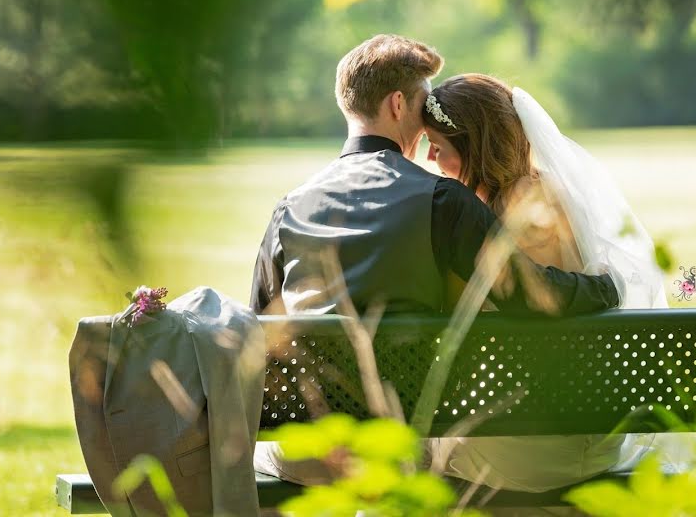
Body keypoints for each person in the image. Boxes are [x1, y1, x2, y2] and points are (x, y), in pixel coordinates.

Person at [249, 35, 621, 488]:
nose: (427, 124)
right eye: (424, 104)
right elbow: (530, 294)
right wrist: (609, 286)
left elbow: (261, 326)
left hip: (305, 450)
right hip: (395, 451)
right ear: (397, 103)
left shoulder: (289, 207)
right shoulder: (443, 199)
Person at [421, 73, 668, 496]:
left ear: (471, 145)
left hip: (526, 448)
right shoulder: (556, 192)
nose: (429, 158)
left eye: (438, 147)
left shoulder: (491, 224)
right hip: (598, 437)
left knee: (414, 448)